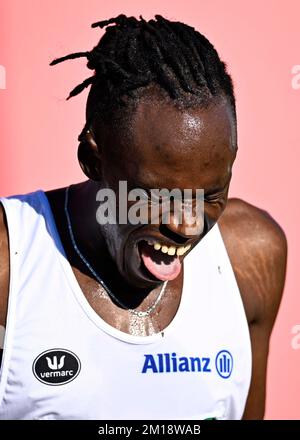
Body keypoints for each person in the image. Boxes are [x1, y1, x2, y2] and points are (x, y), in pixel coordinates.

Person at [0, 14, 287, 420]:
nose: (187, 225)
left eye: (210, 194)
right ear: (92, 160)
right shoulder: (11, 263)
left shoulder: (251, 257)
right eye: (157, 196)